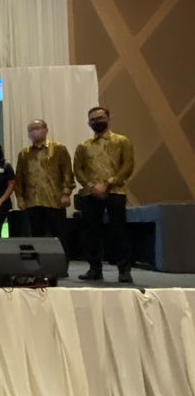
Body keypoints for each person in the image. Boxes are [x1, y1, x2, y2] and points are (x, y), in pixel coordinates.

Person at [74, 107, 135, 283]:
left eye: (100, 118)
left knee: (119, 231)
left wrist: (108, 183)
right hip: (90, 194)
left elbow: (128, 165)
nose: (96, 122)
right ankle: (94, 269)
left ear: (108, 118)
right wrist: (91, 186)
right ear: (88, 123)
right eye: (93, 120)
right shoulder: (83, 146)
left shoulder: (122, 141)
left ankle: (124, 270)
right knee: (91, 233)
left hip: (115, 192)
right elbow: (78, 169)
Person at [14, 119, 74, 254]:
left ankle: (60, 264)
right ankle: (39, 265)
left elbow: (67, 172)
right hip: (32, 201)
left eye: (37, 128)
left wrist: (66, 193)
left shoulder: (59, 149)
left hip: (55, 200)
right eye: (31, 130)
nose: (34, 132)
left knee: (59, 236)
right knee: (36, 237)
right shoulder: (24, 154)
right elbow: (19, 178)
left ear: (46, 130)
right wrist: (20, 198)